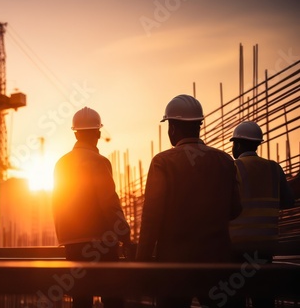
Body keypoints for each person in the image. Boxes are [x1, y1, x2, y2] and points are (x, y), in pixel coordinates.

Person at [136, 94, 242, 307]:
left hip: (174, 266)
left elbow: (151, 219)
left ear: (172, 127)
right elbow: (235, 209)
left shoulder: (163, 162)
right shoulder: (225, 161)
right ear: (199, 125)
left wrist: (141, 262)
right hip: (217, 264)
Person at [52, 107, 133, 308]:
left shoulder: (61, 163)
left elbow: (57, 202)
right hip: (102, 243)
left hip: (72, 243)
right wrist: (125, 234)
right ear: (97, 133)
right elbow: (109, 202)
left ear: (75, 133)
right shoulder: (99, 161)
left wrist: (65, 237)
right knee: (113, 297)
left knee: (80, 298)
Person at [229, 121, 296, 308]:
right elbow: (288, 201)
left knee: (236, 297)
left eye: (234, 143)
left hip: (237, 248)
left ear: (239, 144)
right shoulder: (274, 168)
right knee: (264, 298)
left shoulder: (233, 168)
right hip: (265, 248)